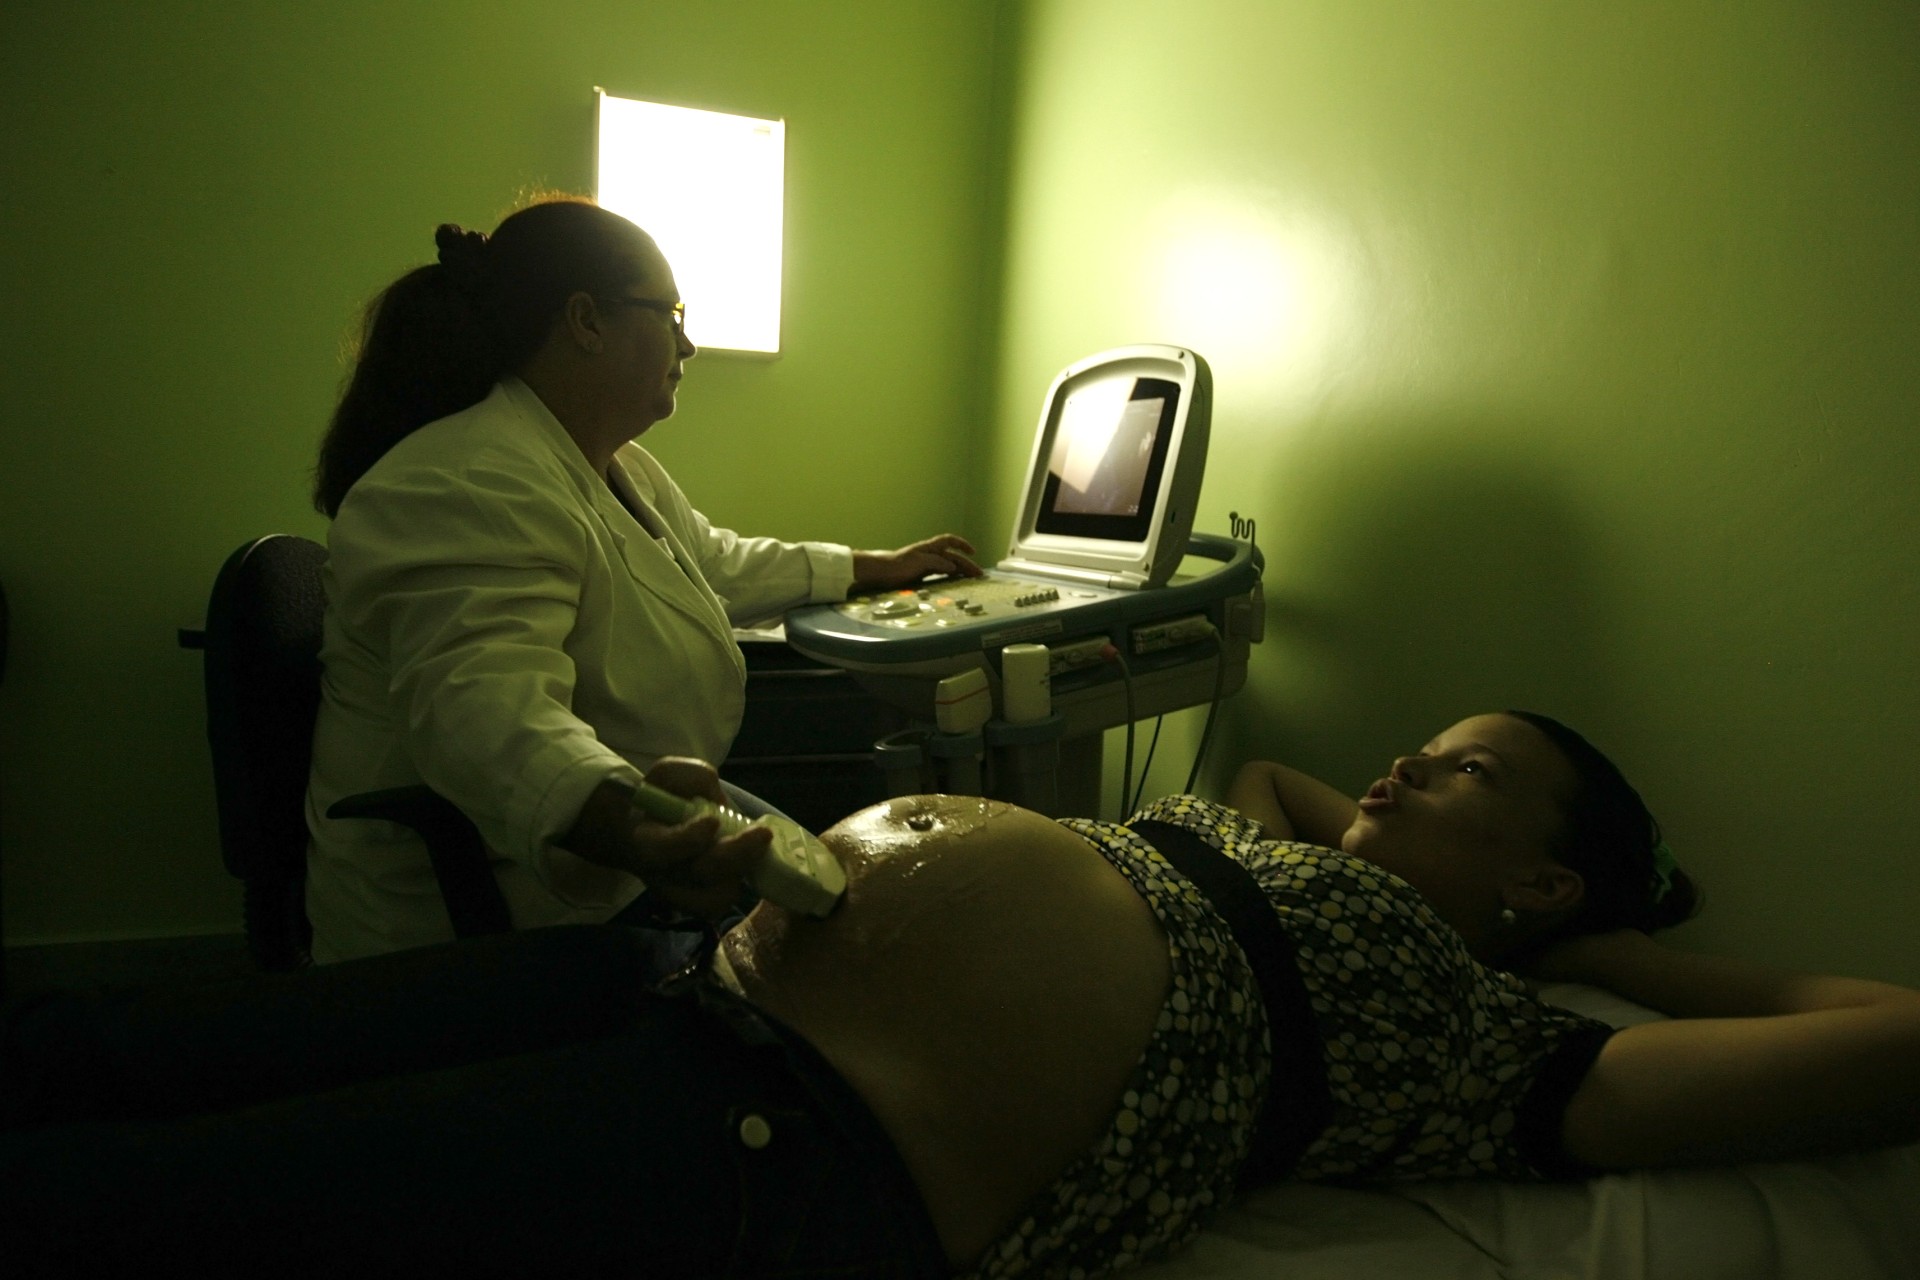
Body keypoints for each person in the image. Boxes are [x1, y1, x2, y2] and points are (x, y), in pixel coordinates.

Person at [5, 713, 1918, 1276]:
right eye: (1407, 750)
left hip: (782, 1137)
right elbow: (1273, 790)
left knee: (143, 1207)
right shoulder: (1283, 845)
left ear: (1550, 880)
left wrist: (1611, 959)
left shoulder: (1496, 1052)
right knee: (118, 1045)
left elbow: (1890, 1033)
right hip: (676, 974)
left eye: (1465, 774)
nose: (1397, 775)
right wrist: (1420, 834)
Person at [303, 195, 980, 962]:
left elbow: (715, 563)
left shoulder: (617, 468)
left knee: (845, 911)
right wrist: (632, 828)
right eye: (671, 312)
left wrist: (870, 567)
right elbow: (486, 712)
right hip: (487, 916)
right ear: (587, 320)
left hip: (611, 866)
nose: (686, 344)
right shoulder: (467, 482)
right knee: (843, 962)